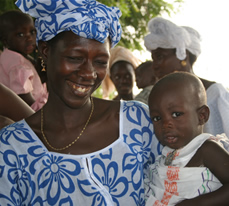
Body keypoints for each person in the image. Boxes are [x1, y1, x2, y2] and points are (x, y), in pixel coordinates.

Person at [0, 1, 161, 205]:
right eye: (75, 58)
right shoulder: (11, 148)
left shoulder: (137, 121)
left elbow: (180, 182)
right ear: (45, 51)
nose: (88, 73)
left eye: (101, 62)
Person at [144, 71, 229, 206]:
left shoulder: (207, 150)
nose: (166, 124)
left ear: (202, 116)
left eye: (176, 114)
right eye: (157, 118)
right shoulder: (164, 158)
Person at [144, 17, 229, 138]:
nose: (154, 66)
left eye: (160, 57)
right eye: (153, 59)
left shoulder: (215, 94)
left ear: (183, 56)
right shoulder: (159, 96)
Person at [0, 10, 48, 111]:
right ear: (6, 40)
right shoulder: (18, 65)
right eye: (20, 35)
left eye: (32, 32)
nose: (29, 38)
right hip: (30, 112)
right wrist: (42, 115)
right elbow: (23, 98)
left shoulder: (11, 56)